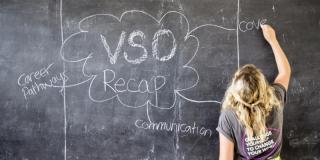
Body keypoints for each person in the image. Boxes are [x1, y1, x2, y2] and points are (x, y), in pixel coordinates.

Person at [216, 24, 291, 160]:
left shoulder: (228, 117)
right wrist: (273, 40)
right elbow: (285, 72)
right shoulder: (275, 100)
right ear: (264, 87)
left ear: (235, 92)